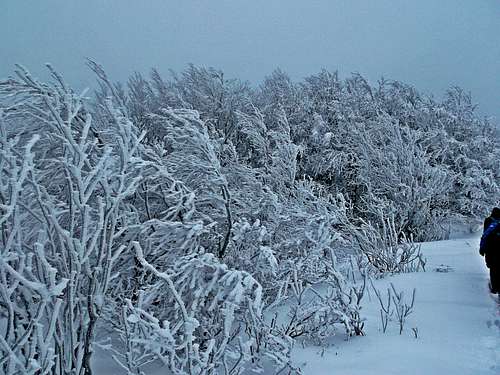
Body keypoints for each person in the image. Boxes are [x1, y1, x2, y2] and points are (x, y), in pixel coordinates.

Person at [480, 207, 500, 293]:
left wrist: (482, 248)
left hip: (491, 249)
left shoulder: (488, 220)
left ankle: (495, 287)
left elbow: (485, 235)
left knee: (493, 268)